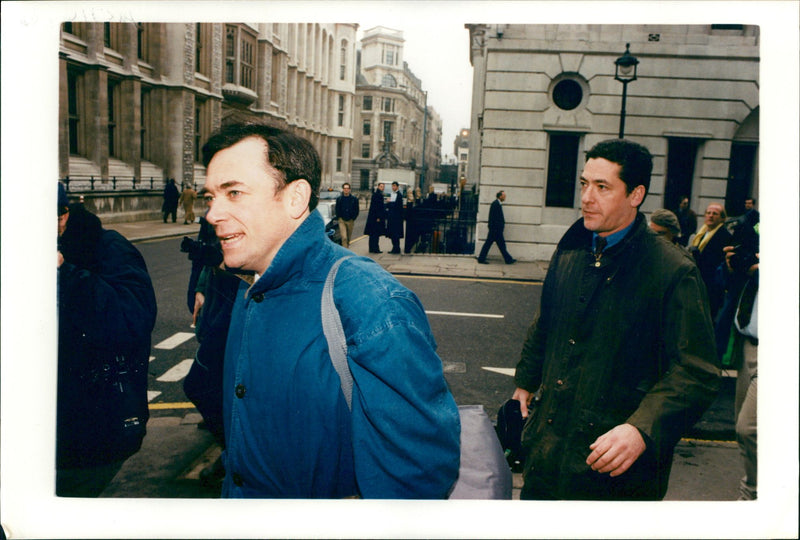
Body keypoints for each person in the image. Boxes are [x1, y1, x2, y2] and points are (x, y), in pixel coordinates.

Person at [200, 123, 460, 499]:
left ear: (295, 198)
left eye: (234, 193)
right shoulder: (249, 284)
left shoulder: (370, 302)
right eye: (211, 197)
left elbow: (418, 475)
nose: (212, 213)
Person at [511, 139, 719, 500]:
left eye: (602, 187)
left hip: (615, 477)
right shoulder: (572, 248)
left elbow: (696, 372)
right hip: (547, 459)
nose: (586, 197)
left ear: (636, 195)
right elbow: (545, 324)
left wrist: (641, 429)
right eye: (584, 183)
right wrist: (525, 383)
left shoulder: (672, 270)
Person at [56, 183, 157, 497]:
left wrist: (64, 274)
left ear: (63, 217)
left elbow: (131, 320)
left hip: (92, 434)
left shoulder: (108, 248)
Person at [180, 215, 241, 489]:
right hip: (219, 298)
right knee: (208, 385)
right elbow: (212, 258)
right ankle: (231, 450)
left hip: (237, 304)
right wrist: (201, 288)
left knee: (200, 384)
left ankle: (234, 453)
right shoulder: (216, 217)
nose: (213, 210)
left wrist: (220, 263)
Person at [722, 241, 759, 500]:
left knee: (749, 429)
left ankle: (753, 493)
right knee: (742, 427)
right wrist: (734, 267)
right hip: (746, 345)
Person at [689, 202, 733, 319]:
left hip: (712, 286)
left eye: (715, 213)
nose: (711, 216)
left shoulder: (725, 236)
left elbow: (715, 261)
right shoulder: (702, 233)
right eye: (708, 213)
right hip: (698, 282)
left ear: (722, 218)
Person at [477, 190, 515, 264]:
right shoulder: (495, 204)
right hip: (495, 230)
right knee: (492, 244)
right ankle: (481, 259)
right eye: (504, 196)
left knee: (500, 245)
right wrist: (496, 228)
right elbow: (493, 218)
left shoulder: (497, 204)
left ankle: (508, 259)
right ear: (500, 196)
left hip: (496, 230)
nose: (505, 197)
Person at [334, 182, 359, 248]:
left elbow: (357, 210)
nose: (346, 190)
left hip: (350, 220)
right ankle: (344, 251)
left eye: (347, 188)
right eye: (345, 188)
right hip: (342, 220)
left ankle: (346, 247)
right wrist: (338, 217)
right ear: (343, 189)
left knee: (348, 237)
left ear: (349, 189)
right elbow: (337, 209)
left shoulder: (354, 199)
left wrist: (353, 218)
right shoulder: (339, 199)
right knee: (344, 237)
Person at [364, 182, 386, 253]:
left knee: (372, 233)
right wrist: (378, 217)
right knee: (376, 233)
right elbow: (377, 207)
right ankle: (375, 248)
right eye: (381, 186)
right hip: (376, 217)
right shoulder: (378, 195)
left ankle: (371, 248)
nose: (382, 188)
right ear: (378, 187)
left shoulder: (376, 194)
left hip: (373, 217)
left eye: (383, 187)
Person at [386, 181, 404, 254]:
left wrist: (389, 202)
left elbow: (397, 206)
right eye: (392, 186)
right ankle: (395, 248)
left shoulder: (399, 195)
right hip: (392, 217)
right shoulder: (392, 194)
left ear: (397, 187)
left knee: (395, 234)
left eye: (394, 186)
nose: (393, 187)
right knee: (392, 234)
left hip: (396, 218)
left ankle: (396, 248)